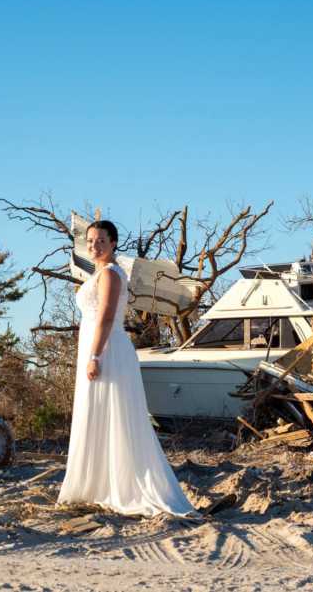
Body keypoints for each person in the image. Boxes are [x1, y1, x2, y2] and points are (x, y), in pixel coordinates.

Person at [57, 220, 197, 517]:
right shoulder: (98, 274)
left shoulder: (110, 274)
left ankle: (125, 487)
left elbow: (106, 318)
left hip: (108, 351)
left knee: (117, 417)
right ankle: (97, 486)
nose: (95, 245)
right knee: (98, 416)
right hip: (97, 349)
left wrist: (94, 356)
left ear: (113, 243)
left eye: (101, 240)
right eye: (91, 240)